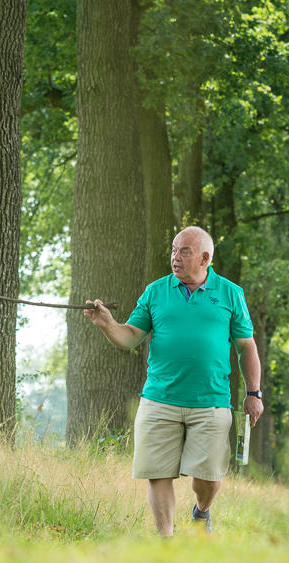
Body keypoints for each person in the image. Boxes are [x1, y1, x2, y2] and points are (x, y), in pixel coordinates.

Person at [83, 226, 263, 537]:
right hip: (159, 399)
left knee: (207, 479)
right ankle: (167, 541)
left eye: (184, 252)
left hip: (211, 401)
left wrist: (253, 392)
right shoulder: (155, 291)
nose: (175, 258)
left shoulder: (231, 293)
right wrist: (107, 325)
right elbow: (130, 338)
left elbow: (246, 346)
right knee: (158, 474)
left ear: (205, 258)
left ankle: (201, 511)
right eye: (173, 250)